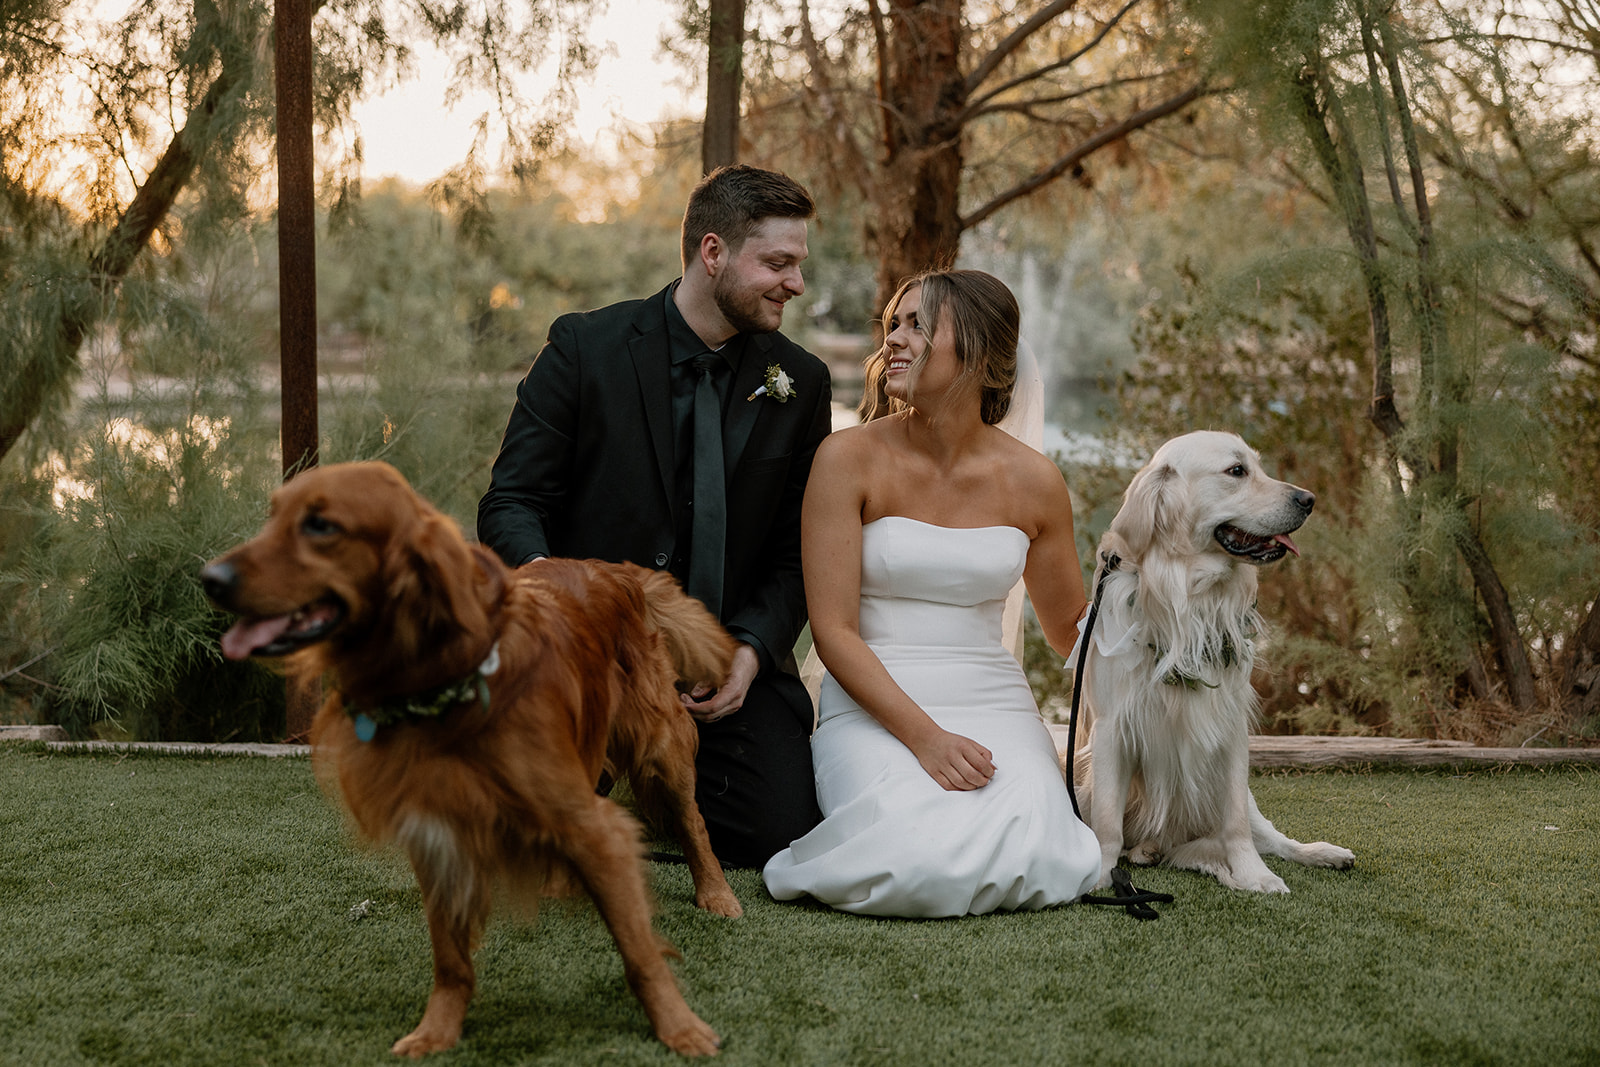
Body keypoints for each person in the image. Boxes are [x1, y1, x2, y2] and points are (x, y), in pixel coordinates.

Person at [477, 164, 832, 868]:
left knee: (777, 835)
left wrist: (751, 653)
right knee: (520, 832)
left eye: (799, 264)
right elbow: (512, 501)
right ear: (713, 253)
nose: (796, 283)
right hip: (590, 657)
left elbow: (798, 553)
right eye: (778, 262)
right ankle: (603, 769)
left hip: (719, 663)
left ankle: (645, 777)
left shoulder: (802, 382)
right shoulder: (585, 348)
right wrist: (560, 601)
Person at [762, 269, 1100, 917]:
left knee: (1043, 847)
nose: (895, 338)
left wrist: (1148, 599)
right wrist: (926, 737)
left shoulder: (1035, 480)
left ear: (978, 351)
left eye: (919, 324)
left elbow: (1071, 632)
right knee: (909, 855)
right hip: (874, 700)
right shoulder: (847, 459)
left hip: (992, 698)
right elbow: (833, 632)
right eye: (893, 322)